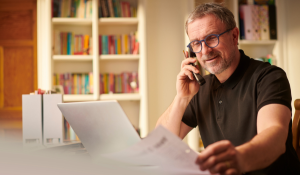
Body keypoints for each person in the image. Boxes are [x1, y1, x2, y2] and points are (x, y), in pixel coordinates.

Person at [156, 3, 300, 175]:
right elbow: (161, 142)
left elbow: (275, 137)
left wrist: (238, 159)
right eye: (196, 43)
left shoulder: (268, 77)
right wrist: (182, 98)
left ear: (234, 36)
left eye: (211, 38)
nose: (205, 51)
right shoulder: (200, 88)